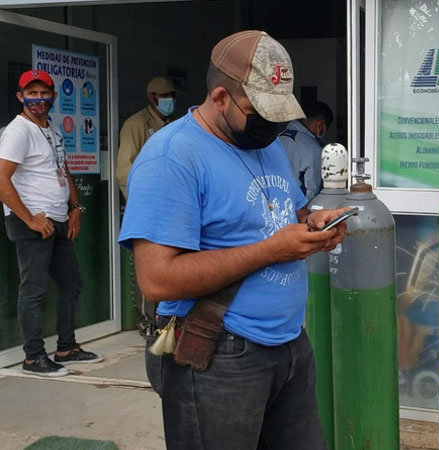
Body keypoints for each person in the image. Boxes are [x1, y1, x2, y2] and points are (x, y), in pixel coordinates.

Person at [118, 30, 347, 449]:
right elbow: (157, 280)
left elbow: (278, 214)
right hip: (220, 355)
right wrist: (271, 251)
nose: (273, 124)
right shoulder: (172, 157)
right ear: (220, 97)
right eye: (259, 111)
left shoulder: (267, 144)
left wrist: (315, 222)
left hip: (290, 344)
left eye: (279, 113)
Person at [0, 70, 102, 377]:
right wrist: (30, 218)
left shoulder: (51, 129)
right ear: (20, 96)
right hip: (33, 223)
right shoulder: (19, 131)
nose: (39, 99)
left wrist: (76, 206)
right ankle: (33, 357)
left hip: (57, 219)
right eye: (32, 93)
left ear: (53, 96)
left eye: (44, 92)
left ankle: (66, 347)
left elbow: (63, 169)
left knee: (71, 284)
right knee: (33, 290)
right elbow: (2, 179)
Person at [115, 76, 177, 200]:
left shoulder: (173, 125)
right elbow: (124, 171)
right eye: (164, 96)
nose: (170, 99)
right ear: (151, 97)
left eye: (172, 95)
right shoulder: (137, 124)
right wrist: (140, 200)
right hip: (147, 198)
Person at [279, 101, 333, 202]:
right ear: (320, 125)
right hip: (296, 210)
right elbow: (311, 191)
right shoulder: (313, 149)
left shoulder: (277, 139)